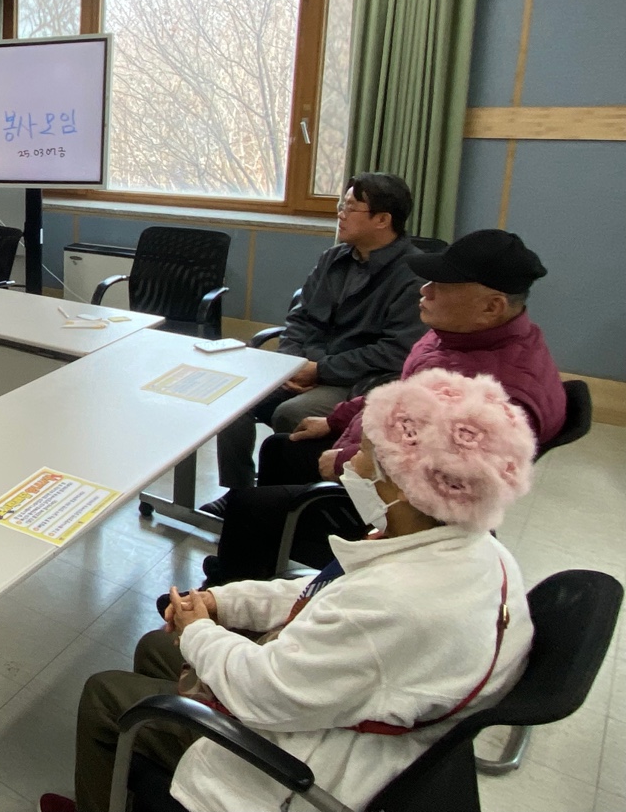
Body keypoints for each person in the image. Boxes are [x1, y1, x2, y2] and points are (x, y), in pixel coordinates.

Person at [45, 369, 536, 812]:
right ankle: (129, 787)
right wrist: (220, 602)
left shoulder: (396, 603)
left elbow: (265, 693)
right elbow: (322, 590)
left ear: (407, 486)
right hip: (334, 703)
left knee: (106, 696)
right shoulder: (468, 546)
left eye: (367, 454)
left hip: (305, 760)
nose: (352, 462)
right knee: (158, 646)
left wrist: (197, 631)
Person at [204, 229, 565, 584]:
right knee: (280, 448)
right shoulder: (458, 336)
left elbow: (439, 479)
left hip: (406, 504)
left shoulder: (501, 394)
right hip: (376, 449)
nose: (424, 290)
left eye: (440, 286)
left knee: (251, 506)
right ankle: (260, 564)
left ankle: (233, 588)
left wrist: (347, 460)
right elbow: (400, 393)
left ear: (492, 306)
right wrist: (336, 420)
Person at [209, 173, 426, 505]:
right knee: (233, 399)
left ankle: (282, 502)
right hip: (306, 364)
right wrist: (290, 363)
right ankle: (238, 494)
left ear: (383, 220)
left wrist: (319, 370)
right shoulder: (333, 259)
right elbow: (300, 317)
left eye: (350, 208)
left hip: (356, 380)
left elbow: (395, 352)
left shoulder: (412, 276)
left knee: (291, 413)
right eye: (342, 205)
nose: (340, 214)